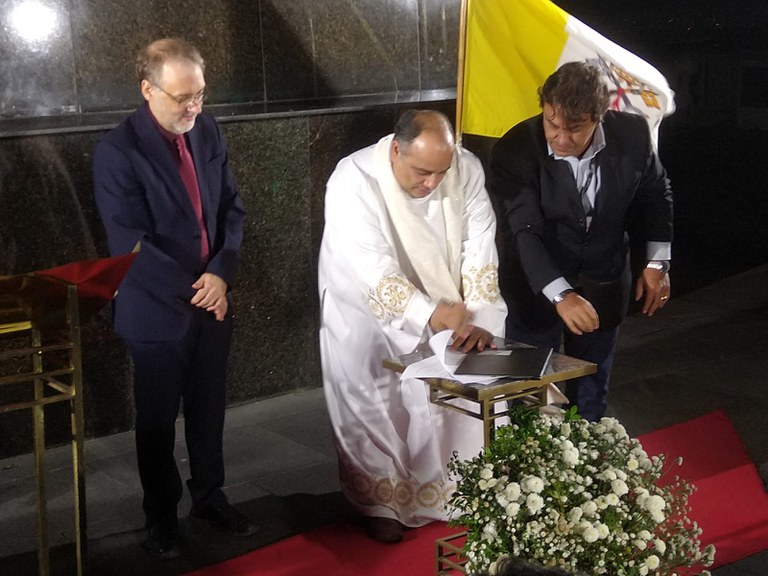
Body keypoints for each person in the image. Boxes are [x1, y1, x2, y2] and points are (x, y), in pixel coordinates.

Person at [318, 110, 507, 543]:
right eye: (422, 173)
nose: (432, 184)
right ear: (397, 149)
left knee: (444, 396)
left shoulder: (465, 168)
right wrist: (428, 313)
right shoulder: (353, 179)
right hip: (365, 306)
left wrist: (479, 313)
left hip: (444, 296)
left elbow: (480, 242)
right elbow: (370, 263)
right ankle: (379, 501)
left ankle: (445, 491)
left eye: (441, 172)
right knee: (373, 399)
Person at [93, 38, 251, 559]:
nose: (194, 108)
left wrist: (222, 274)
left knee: (209, 407)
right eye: (183, 98)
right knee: (158, 418)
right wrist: (200, 289)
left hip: (213, 296)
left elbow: (231, 207)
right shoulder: (119, 150)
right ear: (147, 89)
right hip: (155, 307)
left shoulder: (206, 129)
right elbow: (130, 240)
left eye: (201, 95)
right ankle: (161, 517)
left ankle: (210, 496)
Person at [489, 61, 673, 422]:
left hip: (604, 280)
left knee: (590, 394)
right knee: (527, 397)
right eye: (552, 124)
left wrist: (656, 262)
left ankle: (587, 469)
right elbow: (522, 230)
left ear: (598, 117)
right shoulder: (516, 147)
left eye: (574, 129)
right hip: (534, 288)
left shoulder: (633, 134)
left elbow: (657, 194)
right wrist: (561, 294)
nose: (560, 138)